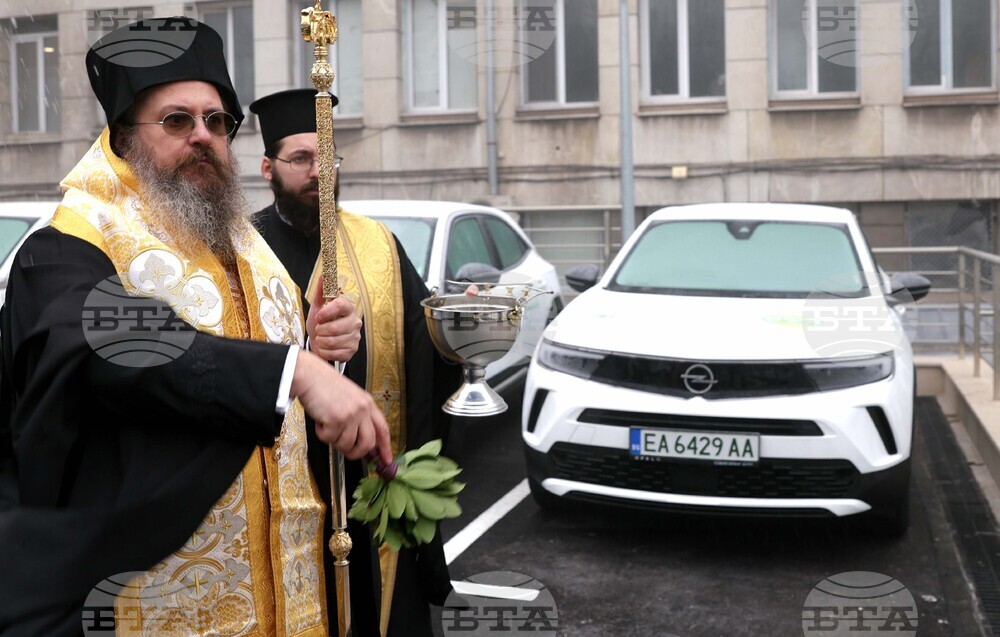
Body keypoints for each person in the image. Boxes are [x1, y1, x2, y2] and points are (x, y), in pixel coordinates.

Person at [0, 18, 392, 637]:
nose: (203, 137)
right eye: (177, 120)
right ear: (125, 135)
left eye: (217, 121)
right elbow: (104, 339)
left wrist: (315, 346)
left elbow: (275, 389)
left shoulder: (246, 244)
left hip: (288, 599)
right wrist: (295, 371)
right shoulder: (69, 243)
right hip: (153, 603)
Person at [249, 88, 460, 637]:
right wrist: (306, 351)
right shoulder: (240, 248)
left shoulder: (377, 244)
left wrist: (459, 342)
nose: (319, 171)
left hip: (371, 482)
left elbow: (421, 345)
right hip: (286, 488)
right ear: (268, 166)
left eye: (329, 156)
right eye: (301, 159)